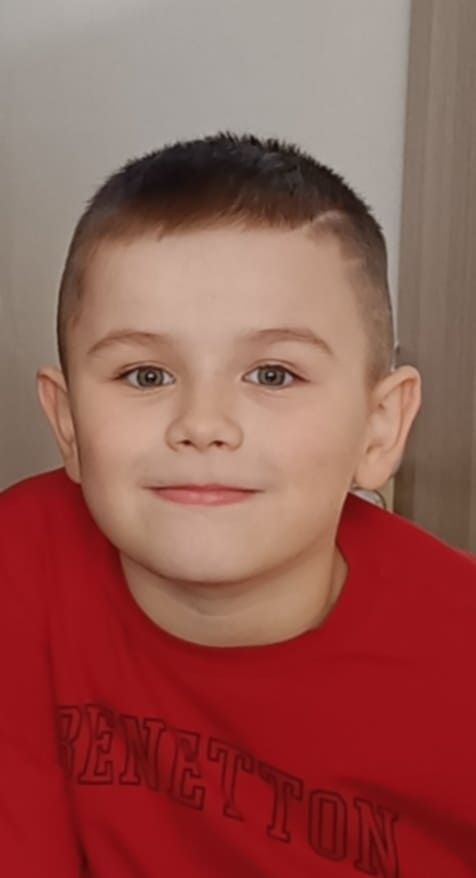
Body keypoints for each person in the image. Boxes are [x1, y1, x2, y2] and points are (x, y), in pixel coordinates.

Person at [1, 132, 474, 878]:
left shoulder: (459, 660)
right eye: (146, 375)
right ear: (67, 425)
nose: (203, 424)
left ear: (379, 428)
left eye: (274, 374)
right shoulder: (21, 566)